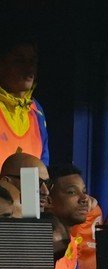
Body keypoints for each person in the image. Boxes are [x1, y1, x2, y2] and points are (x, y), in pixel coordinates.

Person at [0, 30, 49, 168]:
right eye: (19, 61)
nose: (29, 68)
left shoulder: (36, 110)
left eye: (33, 61)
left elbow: (43, 166)